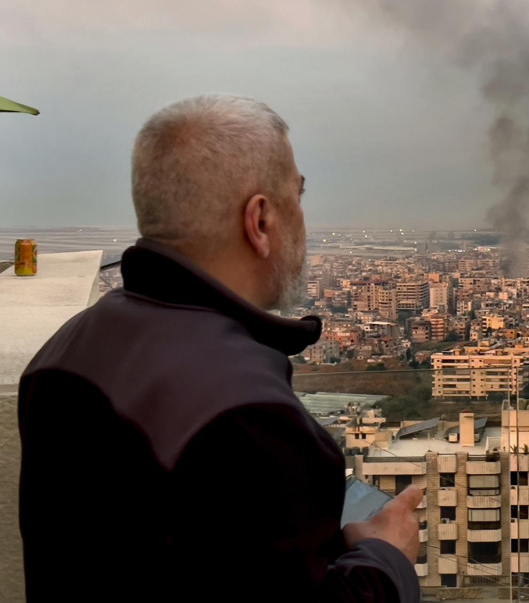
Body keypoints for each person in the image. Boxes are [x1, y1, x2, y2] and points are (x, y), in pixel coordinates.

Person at [18, 95, 422, 602]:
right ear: (259, 220)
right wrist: (387, 556)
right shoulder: (244, 411)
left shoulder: (63, 351)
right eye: (297, 196)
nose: (303, 220)